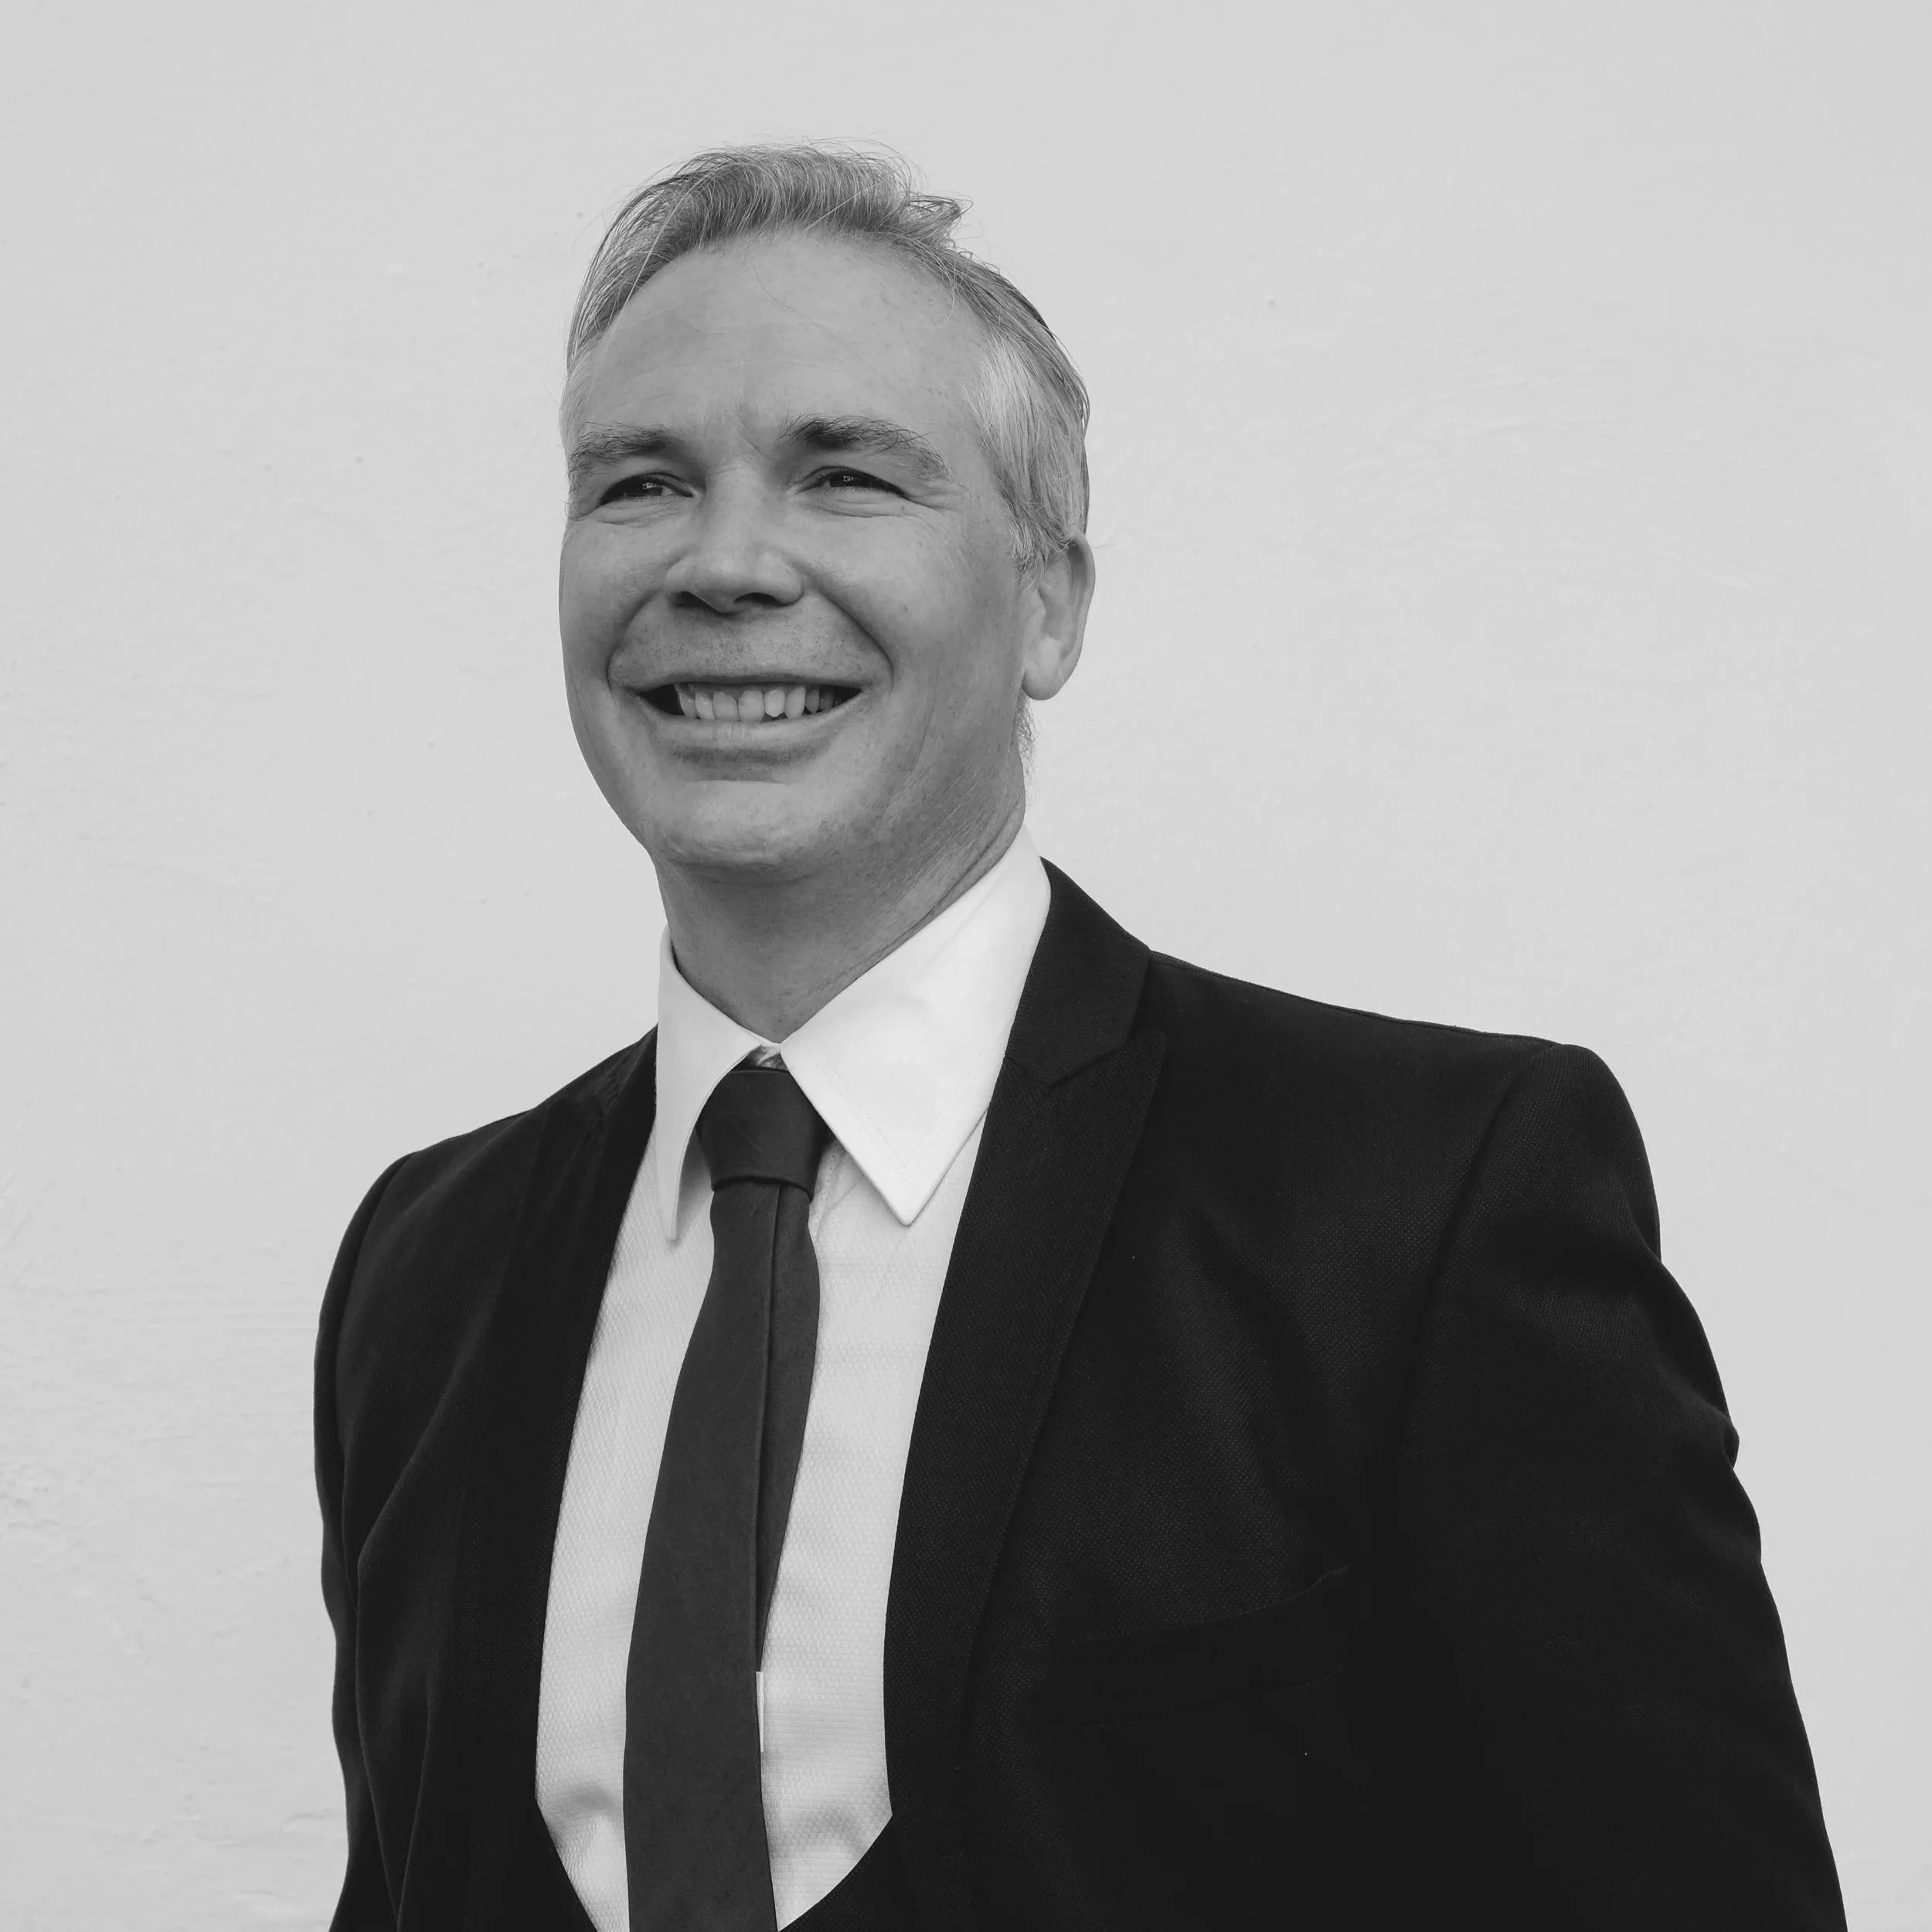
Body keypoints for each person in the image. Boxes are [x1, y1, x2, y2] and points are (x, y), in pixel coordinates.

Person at [315, 145, 1845, 1932]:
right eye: (640, 482)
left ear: (1050, 604)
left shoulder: (1421, 1202)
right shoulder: (428, 1270)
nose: (726, 560)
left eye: (847, 474)